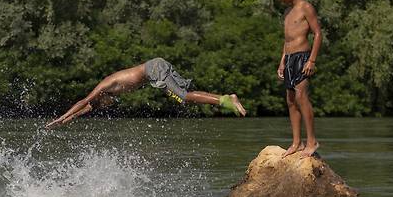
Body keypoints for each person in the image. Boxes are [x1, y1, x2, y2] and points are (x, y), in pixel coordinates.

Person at [46, 57, 246, 127]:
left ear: (102, 97)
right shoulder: (107, 95)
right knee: (184, 96)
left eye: (103, 103)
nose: (108, 106)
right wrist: (68, 121)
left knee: (183, 97)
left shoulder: (105, 86)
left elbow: (84, 101)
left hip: (154, 69)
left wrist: (60, 117)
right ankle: (227, 100)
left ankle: (227, 100)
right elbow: (88, 107)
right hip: (155, 71)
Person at [275, 0, 323, 158]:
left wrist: (312, 60)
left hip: (303, 57)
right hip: (289, 59)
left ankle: (312, 141)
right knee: (290, 100)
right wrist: (282, 60)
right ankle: (297, 142)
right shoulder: (287, 12)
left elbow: (318, 34)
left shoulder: (306, 7)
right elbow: (287, 40)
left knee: (302, 96)